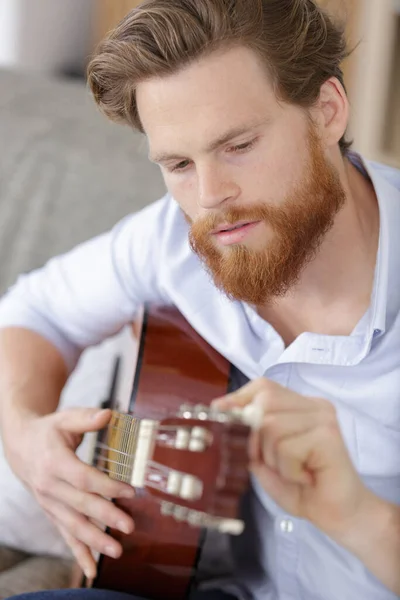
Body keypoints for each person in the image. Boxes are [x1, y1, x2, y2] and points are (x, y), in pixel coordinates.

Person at [0, 0, 399, 599]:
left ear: (327, 111)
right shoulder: (175, 239)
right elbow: (35, 312)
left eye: (238, 144)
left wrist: (361, 517)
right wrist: (25, 438)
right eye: (180, 163)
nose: (211, 196)